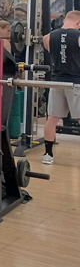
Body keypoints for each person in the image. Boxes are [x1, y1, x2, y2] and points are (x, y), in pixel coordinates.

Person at [41, 10, 80, 164]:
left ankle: (48, 155)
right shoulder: (78, 35)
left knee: (52, 118)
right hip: (76, 82)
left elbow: (51, 51)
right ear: (78, 23)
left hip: (57, 81)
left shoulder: (48, 37)